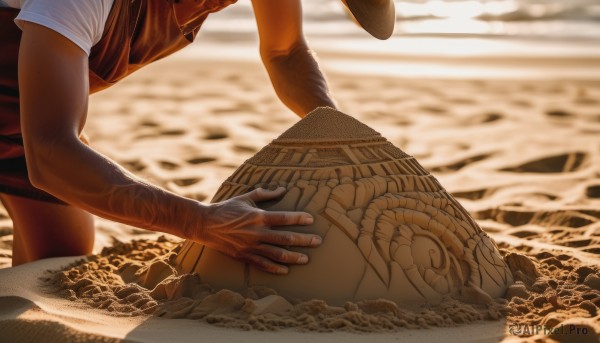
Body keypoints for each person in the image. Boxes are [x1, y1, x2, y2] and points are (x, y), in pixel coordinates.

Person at [0, 0, 395, 272]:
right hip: (38, 129)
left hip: (19, 119)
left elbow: (286, 52)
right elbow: (50, 152)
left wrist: (340, 134)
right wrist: (200, 222)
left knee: (55, 262)